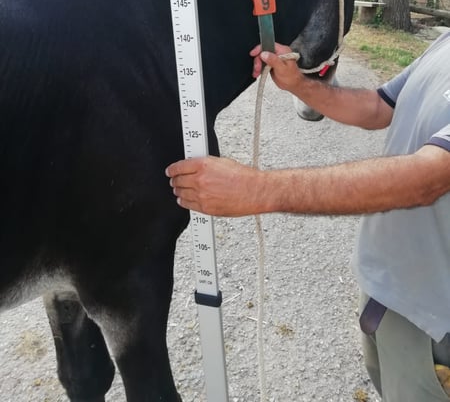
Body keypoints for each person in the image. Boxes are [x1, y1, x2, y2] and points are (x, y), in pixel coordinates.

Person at [166, 32, 450, 402]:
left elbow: (429, 178)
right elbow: (379, 106)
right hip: (386, 289)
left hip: (432, 318)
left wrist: (257, 190)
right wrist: (301, 85)